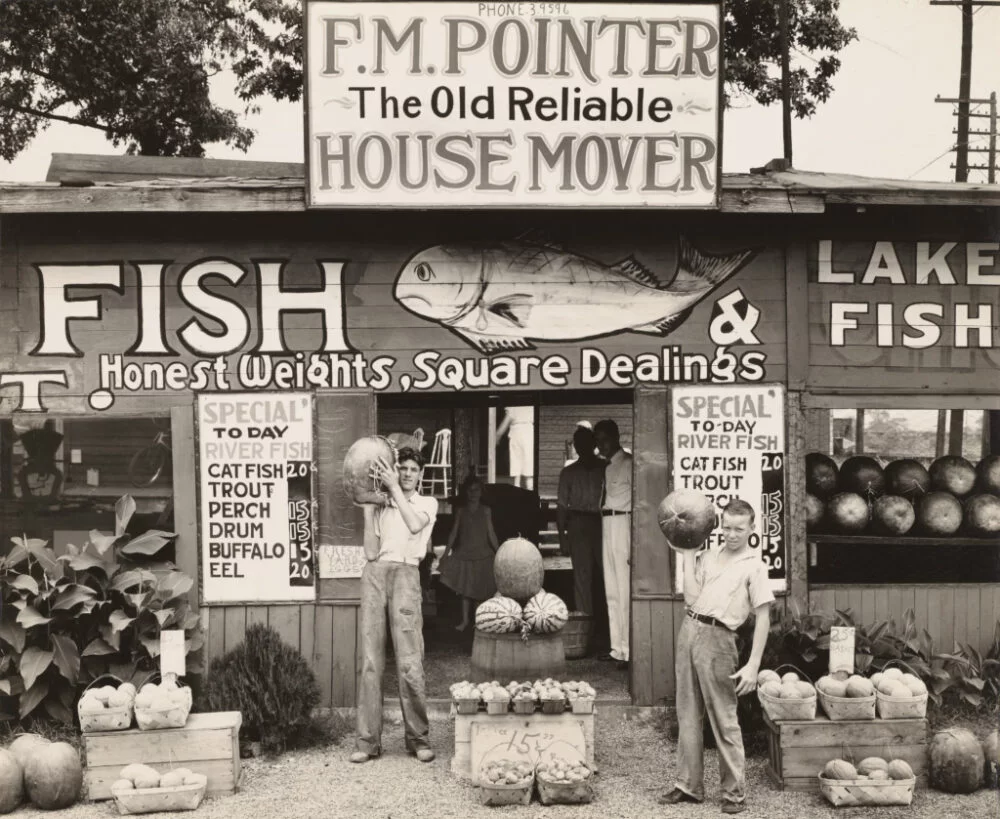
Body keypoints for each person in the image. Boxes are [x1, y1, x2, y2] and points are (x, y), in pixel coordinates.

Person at [659, 499, 774, 815]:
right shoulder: (708, 556)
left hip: (720, 639)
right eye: (727, 527)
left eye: (740, 528)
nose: (732, 534)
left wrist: (753, 665)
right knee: (687, 712)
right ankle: (688, 786)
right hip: (690, 628)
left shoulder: (754, 566)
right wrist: (687, 555)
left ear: (752, 529)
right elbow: (692, 597)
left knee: (723, 717)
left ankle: (734, 793)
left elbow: (763, 617)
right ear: (720, 526)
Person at [350, 447, 439, 765]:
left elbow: (415, 525)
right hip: (376, 573)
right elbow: (371, 553)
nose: (407, 473)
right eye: (402, 468)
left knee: (409, 661)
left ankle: (418, 739)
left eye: (414, 469)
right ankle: (366, 742)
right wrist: (369, 507)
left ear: (421, 474)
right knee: (372, 662)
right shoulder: (383, 502)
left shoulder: (426, 503)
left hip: (406, 573)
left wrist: (390, 491)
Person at [556, 426, 605, 625]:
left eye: (586, 442)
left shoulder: (606, 467)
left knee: (608, 572)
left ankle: (610, 623)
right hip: (577, 523)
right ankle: (585, 624)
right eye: (578, 443)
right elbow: (561, 506)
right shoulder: (568, 472)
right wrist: (562, 537)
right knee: (581, 575)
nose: (582, 447)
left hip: (602, 522)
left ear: (594, 444)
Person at [594, 419, 632, 670]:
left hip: (623, 523)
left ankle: (629, 649)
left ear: (616, 437)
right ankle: (617, 648)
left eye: (604, 439)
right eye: (597, 440)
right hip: (607, 524)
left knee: (624, 587)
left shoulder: (629, 464)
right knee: (611, 590)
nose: (600, 445)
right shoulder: (606, 467)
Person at [439, 476, 500, 631]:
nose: (473, 493)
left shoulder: (486, 510)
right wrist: (446, 552)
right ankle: (465, 621)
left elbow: (491, 533)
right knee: (465, 590)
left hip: (483, 553)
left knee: (480, 590)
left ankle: (478, 621)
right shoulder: (461, 511)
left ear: (481, 492)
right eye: (470, 490)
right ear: (466, 492)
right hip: (464, 553)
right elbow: (454, 533)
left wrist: (499, 552)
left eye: (476, 490)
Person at [496, 406, 534, 489]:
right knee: (528, 461)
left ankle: (518, 485)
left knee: (517, 460)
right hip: (529, 432)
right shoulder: (530, 407)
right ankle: (528, 486)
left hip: (517, 433)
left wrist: (497, 436)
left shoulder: (513, 408)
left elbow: (504, 424)